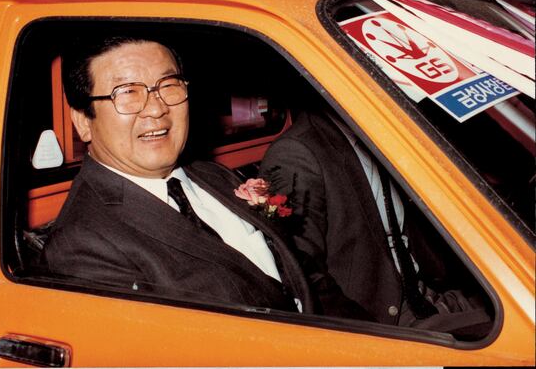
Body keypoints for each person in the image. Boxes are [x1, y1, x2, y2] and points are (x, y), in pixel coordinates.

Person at [40, 36, 367, 317]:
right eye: (127, 92)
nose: (156, 109)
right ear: (83, 121)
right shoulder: (81, 248)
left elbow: (302, 274)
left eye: (168, 86)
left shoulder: (211, 175)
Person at [259, 107, 492, 336]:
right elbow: (301, 272)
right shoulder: (297, 153)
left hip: (428, 293)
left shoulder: (375, 136)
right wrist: (371, 336)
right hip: (383, 321)